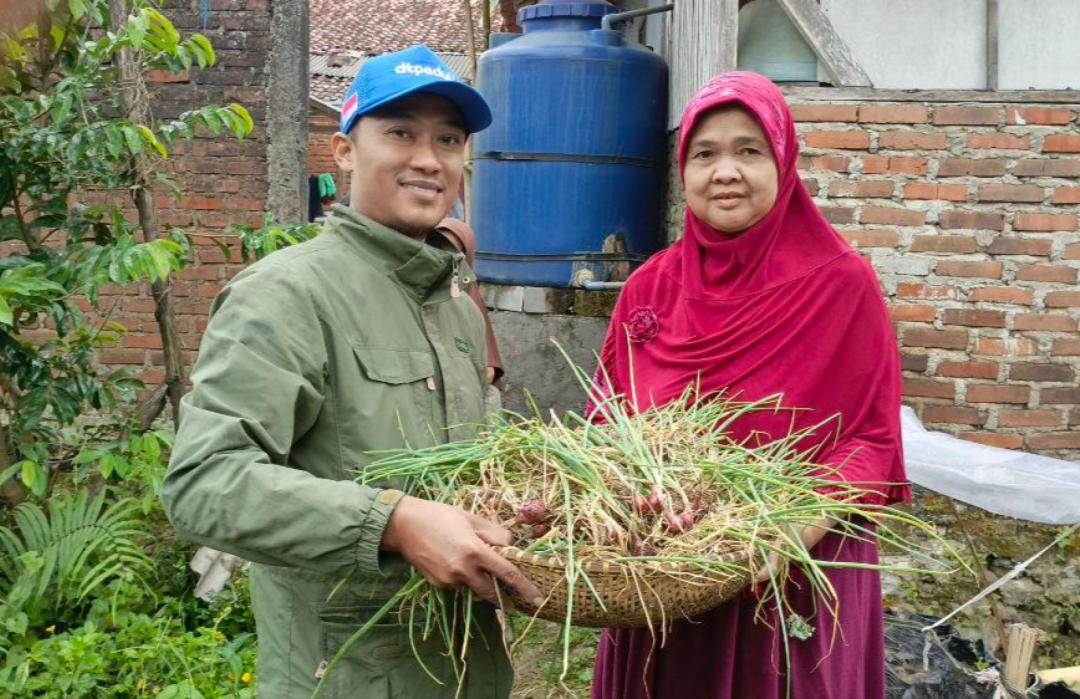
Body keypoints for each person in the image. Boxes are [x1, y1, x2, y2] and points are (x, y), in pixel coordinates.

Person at [161, 44, 541, 698]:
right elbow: (202, 484)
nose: (428, 158)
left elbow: (468, 471)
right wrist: (393, 521)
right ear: (343, 151)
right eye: (400, 132)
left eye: (448, 139)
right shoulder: (285, 296)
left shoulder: (454, 304)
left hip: (465, 667)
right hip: (346, 675)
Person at [588, 72, 910, 699]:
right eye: (705, 154)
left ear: (784, 160)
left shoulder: (841, 284)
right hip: (664, 569)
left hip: (790, 576)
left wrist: (792, 527)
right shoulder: (648, 287)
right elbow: (607, 423)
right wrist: (627, 504)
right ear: (683, 169)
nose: (725, 172)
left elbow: (872, 440)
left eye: (749, 150)